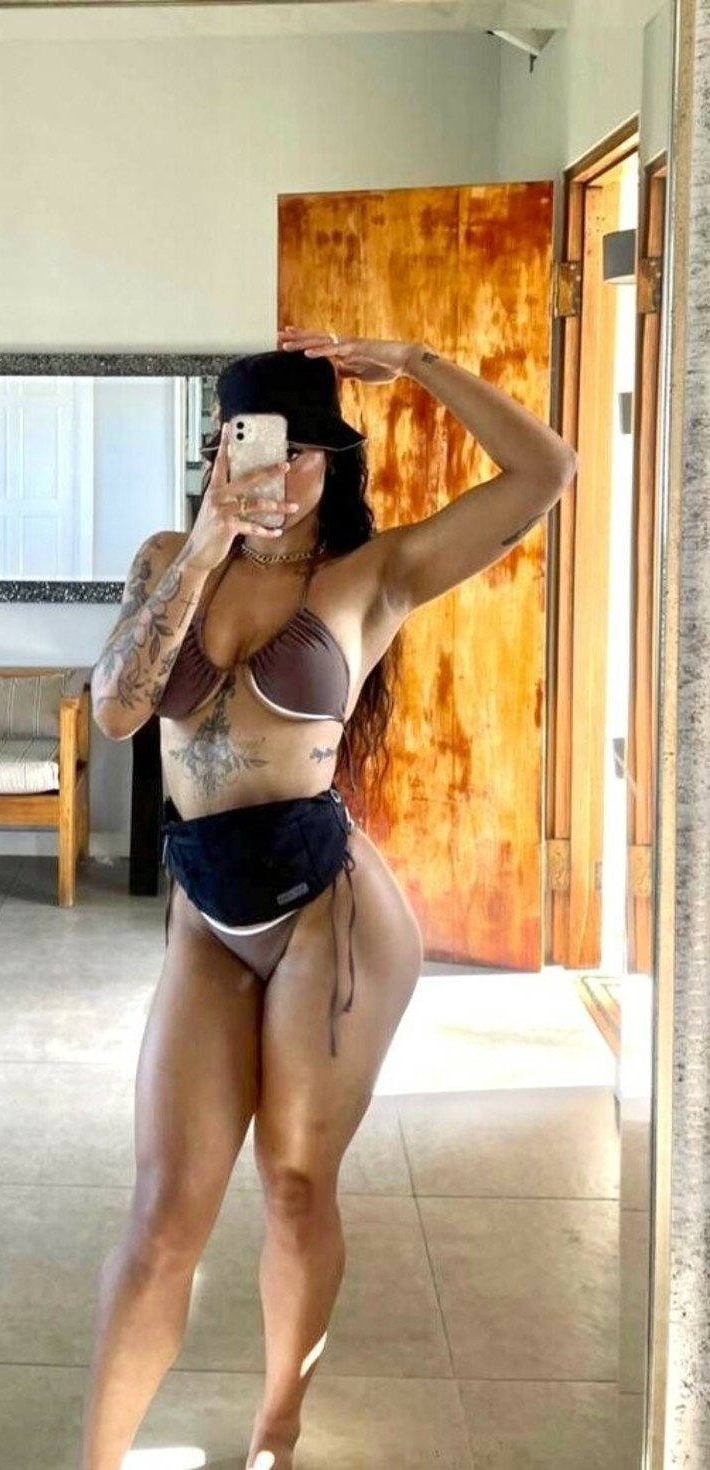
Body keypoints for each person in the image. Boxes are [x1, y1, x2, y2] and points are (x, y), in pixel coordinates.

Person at [79, 329, 577, 1470]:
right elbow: (115, 710)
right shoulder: (167, 556)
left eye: (297, 450)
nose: (272, 469)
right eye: (244, 443)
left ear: (332, 460)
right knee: (163, 1216)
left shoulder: (373, 576)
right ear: (218, 451)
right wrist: (205, 545)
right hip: (207, 911)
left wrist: (415, 362)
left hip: (328, 910)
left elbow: (546, 472)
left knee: (296, 1186)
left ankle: (278, 1426)